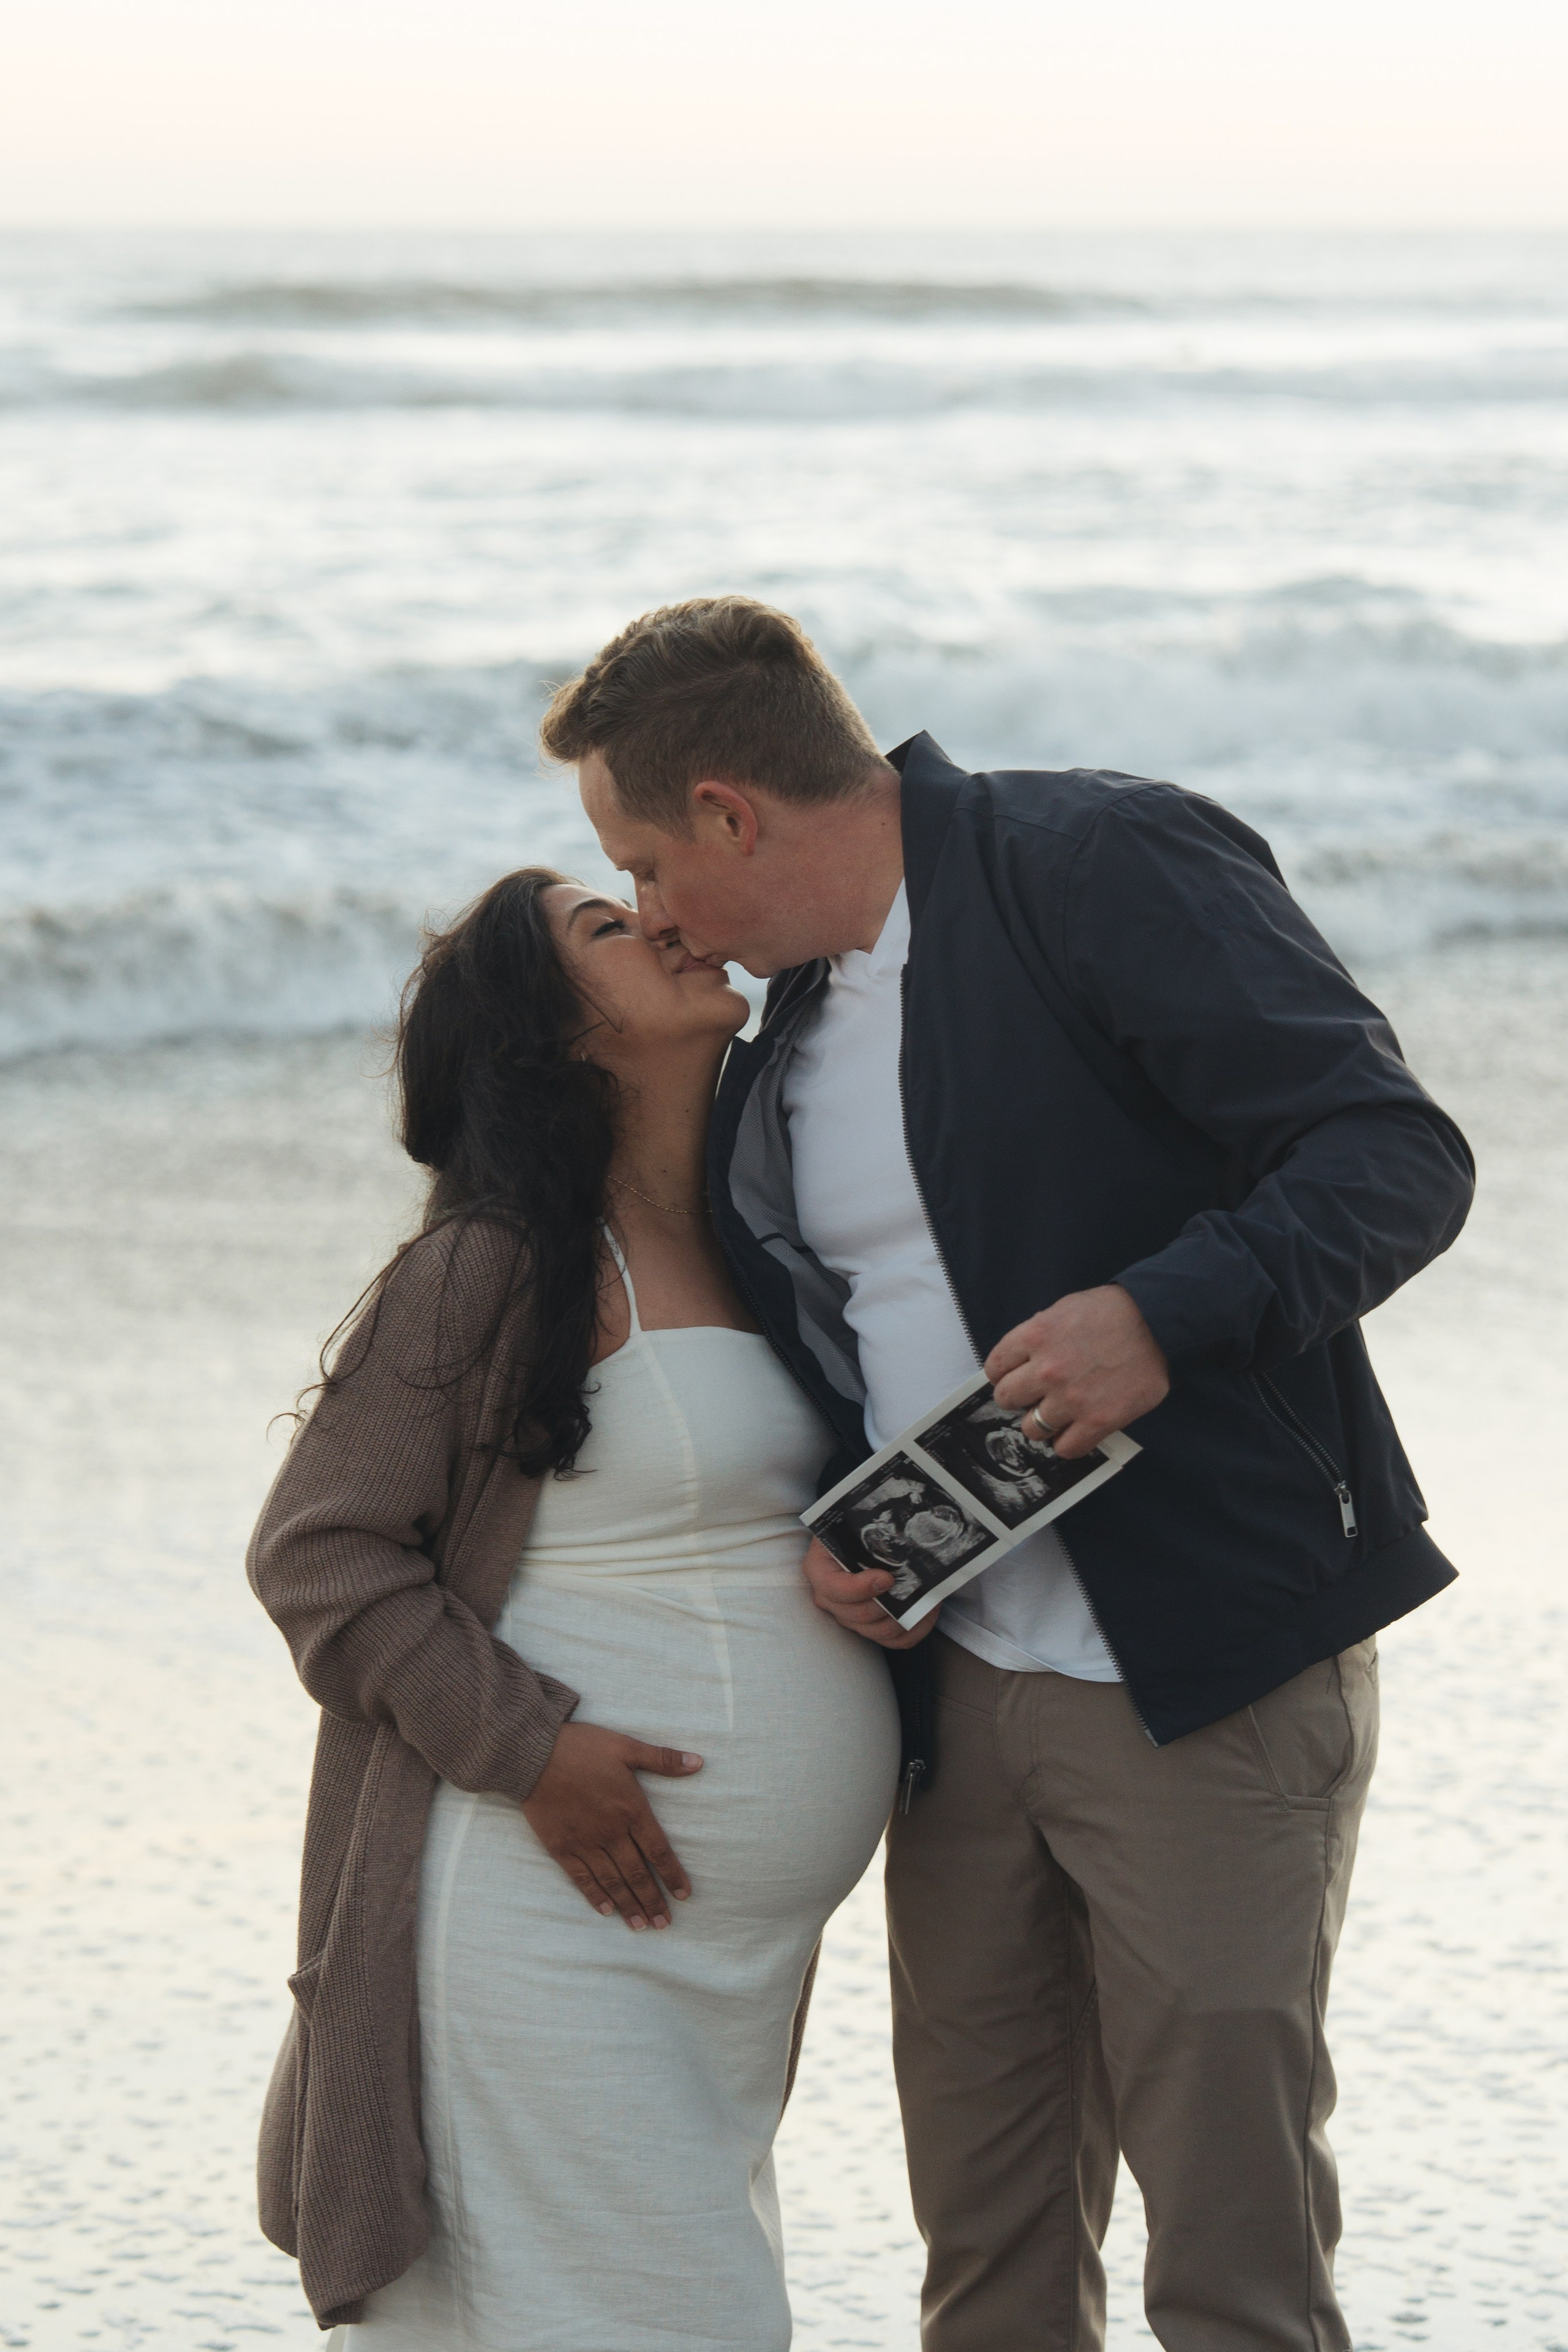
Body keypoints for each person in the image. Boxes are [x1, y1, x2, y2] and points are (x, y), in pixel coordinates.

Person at [546, 595, 1476, 2352]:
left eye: (645, 862)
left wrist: (1164, 1315)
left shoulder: (1102, 861)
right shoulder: (786, 1036)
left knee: (1236, 2262)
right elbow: (857, 1329)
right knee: (987, 2261)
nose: (652, 909)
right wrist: (841, 1543)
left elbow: (1391, 1154)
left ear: (734, 813)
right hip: (955, 1702)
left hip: (1203, 1673)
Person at [247, 868, 900, 2345]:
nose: (665, 918)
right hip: (540, 1931)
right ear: (557, 1038)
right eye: (608, 929)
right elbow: (319, 1555)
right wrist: (528, 1749)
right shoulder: (493, 1271)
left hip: (717, 1971)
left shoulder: (769, 1247)